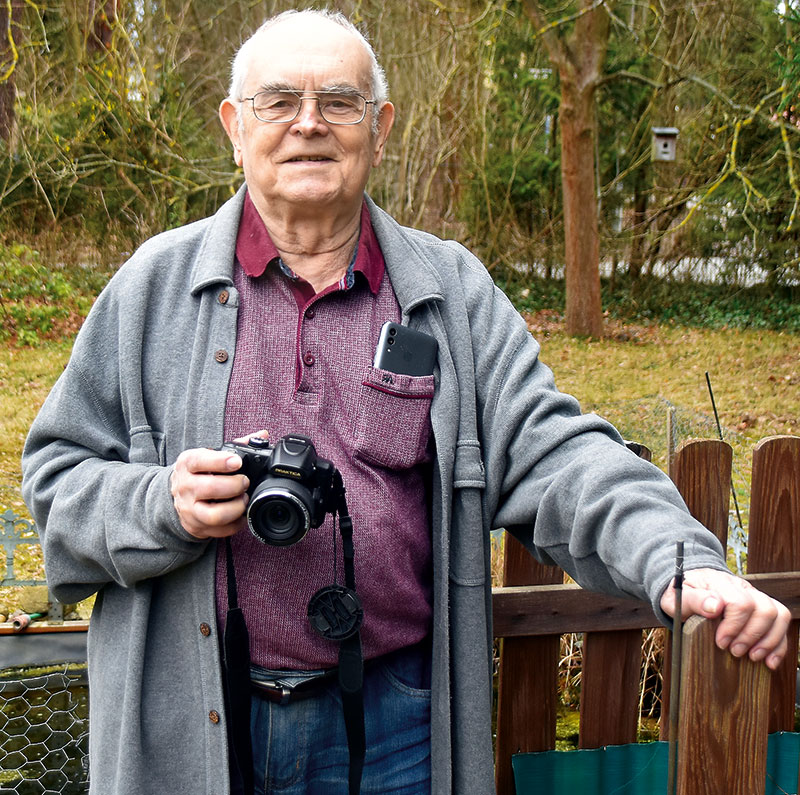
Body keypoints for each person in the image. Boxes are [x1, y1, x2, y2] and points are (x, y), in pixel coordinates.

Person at [21, 9, 789, 795]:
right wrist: (164, 503)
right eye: (279, 101)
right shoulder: (152, 289)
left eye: (341, 102)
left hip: (398, 722)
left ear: (380, 128)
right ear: (233, 126)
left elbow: (560, 453)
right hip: (191, 716)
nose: (309, 124)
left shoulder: (449, 291)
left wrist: (678, 559)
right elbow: (56, 481)